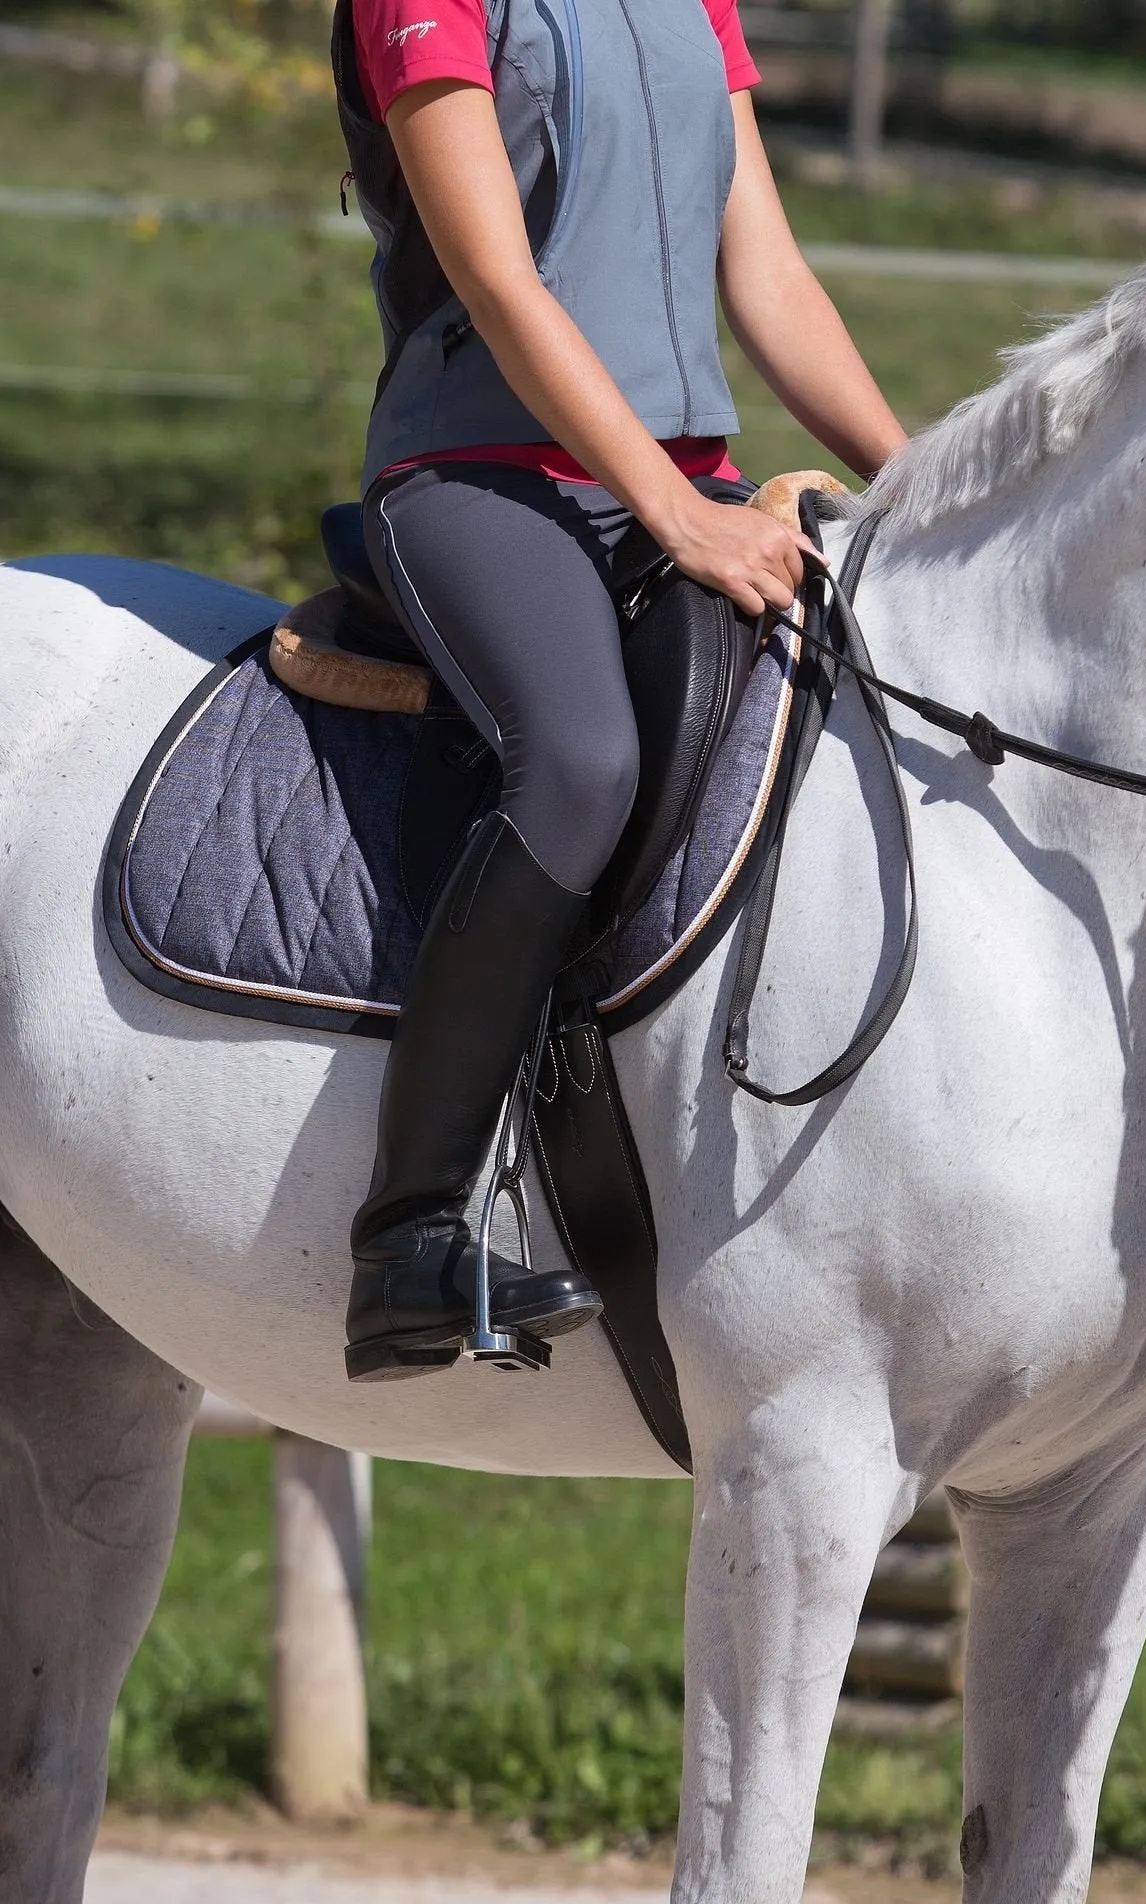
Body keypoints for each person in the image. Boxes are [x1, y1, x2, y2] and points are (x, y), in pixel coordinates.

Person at [332, 0, 908, 1381]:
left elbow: (763, 270)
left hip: (680, 480)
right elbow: (496, 280)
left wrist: (935, 486)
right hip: (479, 479)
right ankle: (409, 1235)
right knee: (580, 761)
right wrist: (678, 514)